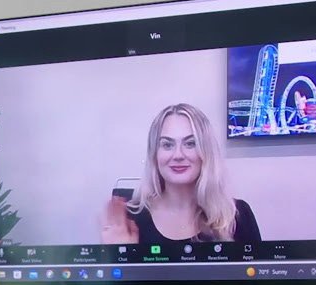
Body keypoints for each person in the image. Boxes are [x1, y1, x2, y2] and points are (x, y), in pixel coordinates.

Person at [101, 103, 260, 245]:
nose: (178, 155)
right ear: (154, 154)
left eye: (190, 143)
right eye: (167, 145)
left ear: (206, 152)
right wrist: (121, 254)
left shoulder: (237, 215)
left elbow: (257, 269)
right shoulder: (129, 219)